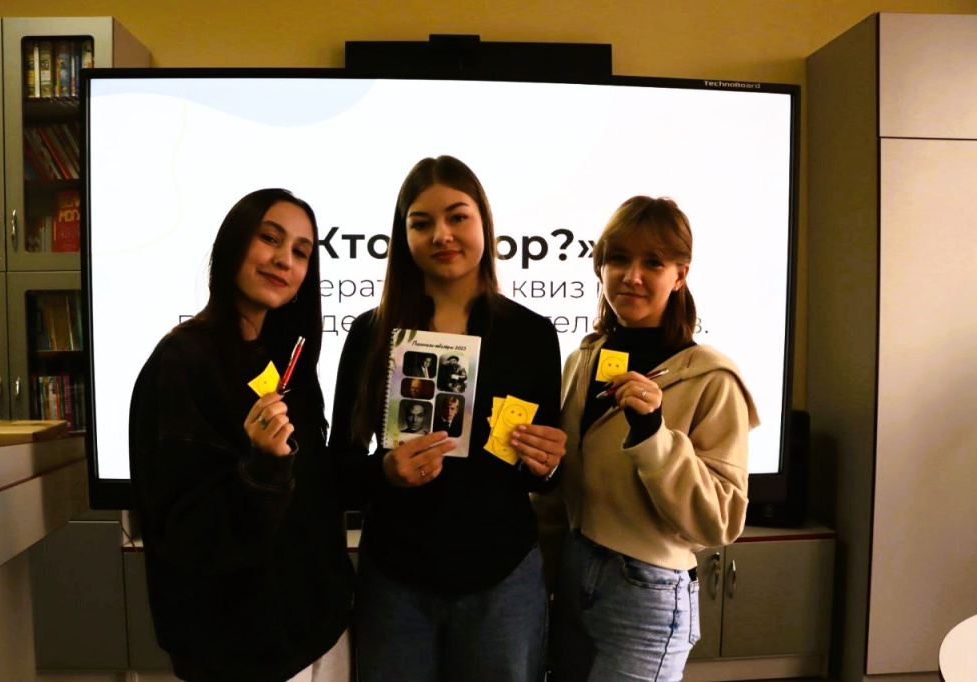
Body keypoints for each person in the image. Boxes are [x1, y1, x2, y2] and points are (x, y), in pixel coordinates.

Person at [329, 155, 568, 682]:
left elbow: (543, 474)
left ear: (484, 222)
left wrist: (549, 463)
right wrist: (384, 472)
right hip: (395, 580)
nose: (442, 235)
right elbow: (339, 470)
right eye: (422, 223)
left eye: (458, 216)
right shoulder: (371, 333)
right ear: (403, 235)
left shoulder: (531, 334)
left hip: (501, 578)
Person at [128, 188, 355, 682]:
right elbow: (186, 531)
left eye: (301, 251)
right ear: (233, 243)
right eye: (269, 238)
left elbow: (315, 493)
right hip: (242, 652)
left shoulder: (287, 362)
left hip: (320, 630)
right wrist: (262, 468)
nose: (284, 259)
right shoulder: (182, 364)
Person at [537, 196, 759, 682]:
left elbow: (722, 520)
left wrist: (654, 435)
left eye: (653, 263)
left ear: (680, 275)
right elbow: (559, 494)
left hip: (647, 591)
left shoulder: (712, 378)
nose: (631, 276)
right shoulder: (582, 361)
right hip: (572, 576)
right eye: (618, 258)